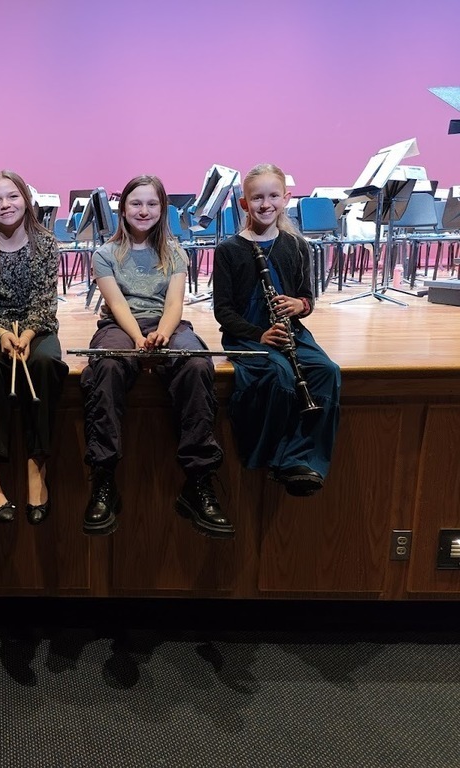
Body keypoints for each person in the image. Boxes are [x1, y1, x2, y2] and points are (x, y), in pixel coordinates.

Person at [80, 175, 232, 538]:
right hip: (121, 324)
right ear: (123, 209)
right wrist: (138, 339)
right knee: (108, 367)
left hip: (168, 322)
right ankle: (104, 478)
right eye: (136, 203)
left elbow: (175, 304)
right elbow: (116, 305)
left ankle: (197, 481)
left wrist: (163, 333)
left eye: (151, 204)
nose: (143, 210)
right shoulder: (104, 255)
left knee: (197, 365)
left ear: (163, 209)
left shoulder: (175, 251)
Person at [213, 163, 341, 495]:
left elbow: (307, 297)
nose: (265, 204)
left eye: (273, 196)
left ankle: (305, 461)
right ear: (244, 204)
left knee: (328, 371)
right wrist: (259, 335)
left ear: (286, 198)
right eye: (256, 198)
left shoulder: (296, 245)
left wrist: (300, 306)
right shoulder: (229, 250)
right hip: (248, 334)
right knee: (281, 377)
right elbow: (223, 312)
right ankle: (276, 457)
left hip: (290, 331)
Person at [0, 169, 69, 525]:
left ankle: (37, 466)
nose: (5, 205)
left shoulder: (47, 242)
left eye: (12, 196)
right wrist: (1, 333)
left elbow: (44, 300)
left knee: (46, 364)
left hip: (34, 325)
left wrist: (28, 333)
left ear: (26, 199)